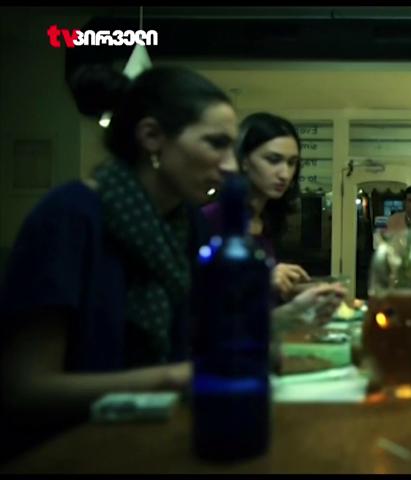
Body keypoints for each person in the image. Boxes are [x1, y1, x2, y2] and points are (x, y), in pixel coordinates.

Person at [0, 65, 238, 461]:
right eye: (216, 144)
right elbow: (24, 389)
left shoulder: (188, 222)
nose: (231, 165)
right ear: (152, 137)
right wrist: (173, 378)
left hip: (159, 442)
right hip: (67, 451)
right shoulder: (69, 216)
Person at [201, 112, 345, 316]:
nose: (285, 174)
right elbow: (202, 303)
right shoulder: (210, 219)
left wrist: (295, 291)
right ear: (243, 161)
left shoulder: (266, 220)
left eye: (292, 162)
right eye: (273, 160)